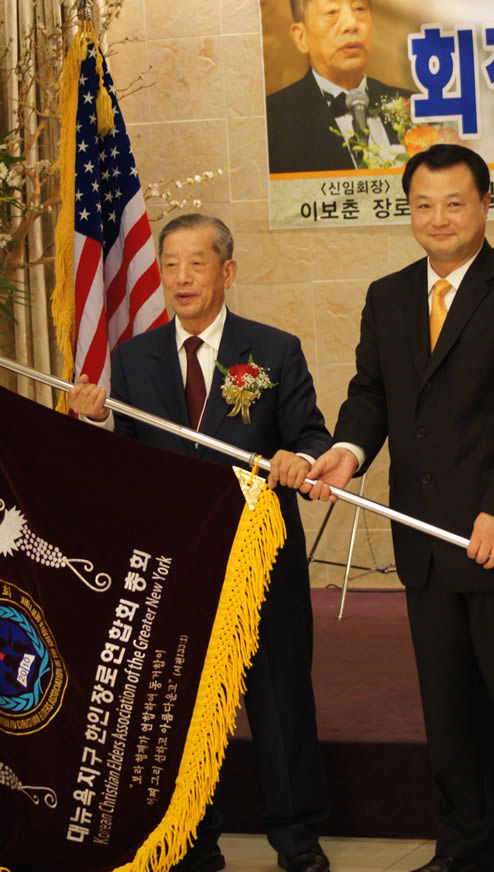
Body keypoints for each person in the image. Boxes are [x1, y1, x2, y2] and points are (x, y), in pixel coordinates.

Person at [294, 145, 494, 872]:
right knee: (452, 716)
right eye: (423, 204)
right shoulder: (387, 296)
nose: (438, 218)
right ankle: (466, 851)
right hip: (424, 544)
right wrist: (347, 451)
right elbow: (372, 393)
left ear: (486, 204)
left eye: (454, 203)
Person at [69, 213, 332, 872]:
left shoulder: (272, 350)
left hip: (259, 561)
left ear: (227, 271)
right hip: (178, 566)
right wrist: (93, 424)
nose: (182, 278)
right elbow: (126, 464)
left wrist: (303, 458)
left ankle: (297, 842)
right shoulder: (133, 358)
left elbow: (311, 434)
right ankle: (191, 840)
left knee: (279, 703)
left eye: (197, 263)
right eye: (171, 265)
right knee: (180, 708)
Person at [266, 0, 411, 173]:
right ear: (301, 37)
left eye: (359, 9)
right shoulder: (271, 122)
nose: (351, 24)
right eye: (332, 12)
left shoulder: (414, 107)